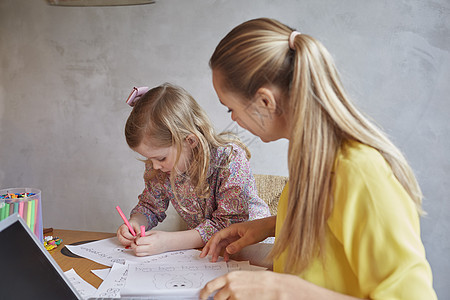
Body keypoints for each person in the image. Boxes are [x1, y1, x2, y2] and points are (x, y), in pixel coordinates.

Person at [199, 18, 436, 299]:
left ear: (265, 101)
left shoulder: (360, 172)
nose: (234, 120)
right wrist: (273, 225)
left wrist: (280, 289)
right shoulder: (311, 160)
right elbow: (333, 224)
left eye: (230, 109)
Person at [117, 83, 271, 257]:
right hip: (210, 254)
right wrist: (135, 223)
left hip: (254, 250)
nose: (154, 166)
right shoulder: (161, 170)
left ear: (190, 141)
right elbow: (150, 206)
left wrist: (168, 242)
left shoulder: (230, 160)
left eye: (160, 158)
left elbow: (228, 227)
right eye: (149, 159)